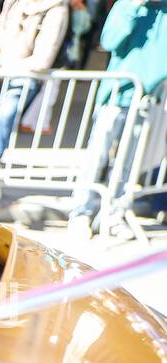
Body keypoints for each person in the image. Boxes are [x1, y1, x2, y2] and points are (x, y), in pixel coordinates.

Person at [69, 0, 167, 238]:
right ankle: (82, 212)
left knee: (129, 164)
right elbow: (109, 40)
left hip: (147, 100)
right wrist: (134, 8)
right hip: (115, 96)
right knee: (97, 156)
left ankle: (113, 214)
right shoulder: (126, 4)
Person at [0, 0, 69, 172]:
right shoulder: (15, 2)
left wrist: (6, 67)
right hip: (0, 71)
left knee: (7, 113)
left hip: (25, 74)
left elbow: (43, 58)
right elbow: (2, 29)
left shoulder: (56, 10)